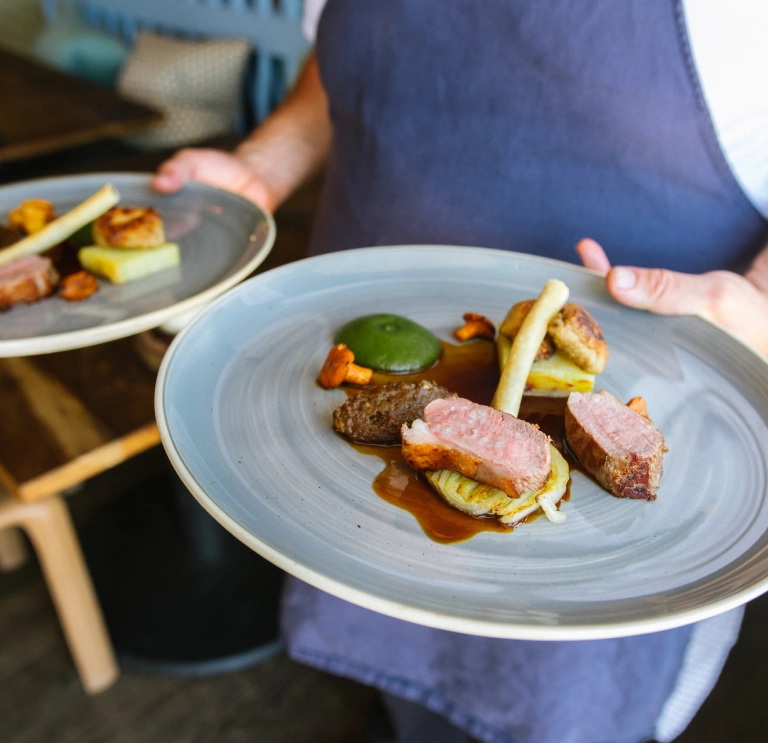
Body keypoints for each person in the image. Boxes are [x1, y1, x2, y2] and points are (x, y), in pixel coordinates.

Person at [153, 2, 768, 741]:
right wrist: (264, 163)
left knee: (558, 705)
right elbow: (346, 62)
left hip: (623, 481)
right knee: (396, 660)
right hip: (350, 430)